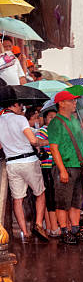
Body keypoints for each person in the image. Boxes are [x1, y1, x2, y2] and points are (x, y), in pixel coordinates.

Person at [47, 91, 83, 245]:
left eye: (75, 101)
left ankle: (75, 229)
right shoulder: (56, 123)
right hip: (65, 166)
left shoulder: (75, 120)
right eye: (71, 101)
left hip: (78, 166)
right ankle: (65, 231)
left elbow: (81, 142)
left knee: (76, 201)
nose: (75, 103)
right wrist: (62, 170)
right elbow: (54, 148)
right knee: (62, 202)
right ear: (61, 103)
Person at [0, 102, 49, 242]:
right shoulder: (20, 119)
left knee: (18, 199)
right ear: (14, 105)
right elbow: (33, 140)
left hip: (11, 163)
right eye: (20, 106)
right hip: (28, 161)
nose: (22, 109)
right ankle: (38, 224)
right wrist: (45, 143)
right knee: (40, 193)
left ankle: (25, 232)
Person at [35, 109, 60, 237]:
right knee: (50, 196)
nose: (52, 120)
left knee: (54, 196)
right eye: (50, 117)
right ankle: (52, 227)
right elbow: (38, 143)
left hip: (55, 166)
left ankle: (51, 226)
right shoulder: (43, 131)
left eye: (55, 117)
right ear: (45, 119)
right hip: (46, 167)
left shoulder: (56, 131)